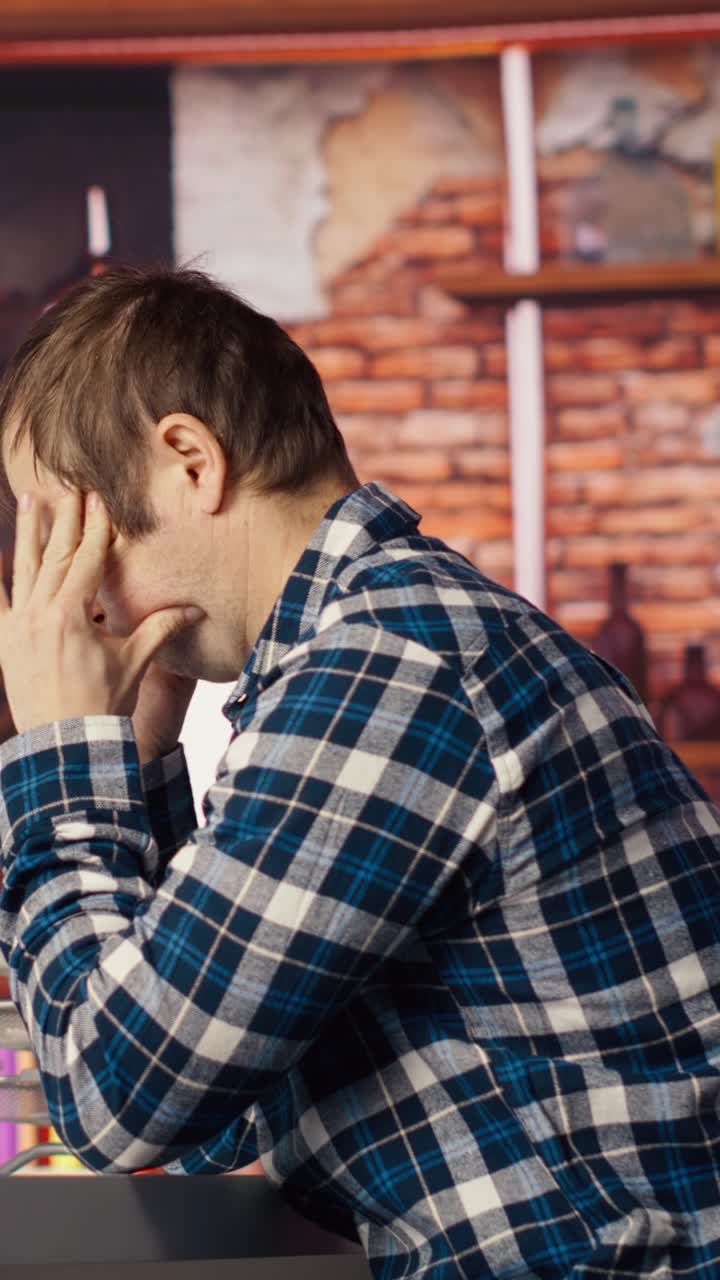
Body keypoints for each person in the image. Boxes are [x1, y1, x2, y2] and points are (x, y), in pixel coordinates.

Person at [0, 268, 719, 1280]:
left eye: (63, 538)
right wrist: (140, 759)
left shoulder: (387, 667)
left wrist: (61, 757)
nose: (71, 605)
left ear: (188, 461)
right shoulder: (350, 659)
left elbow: (118, 1097)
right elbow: (212, 1110)